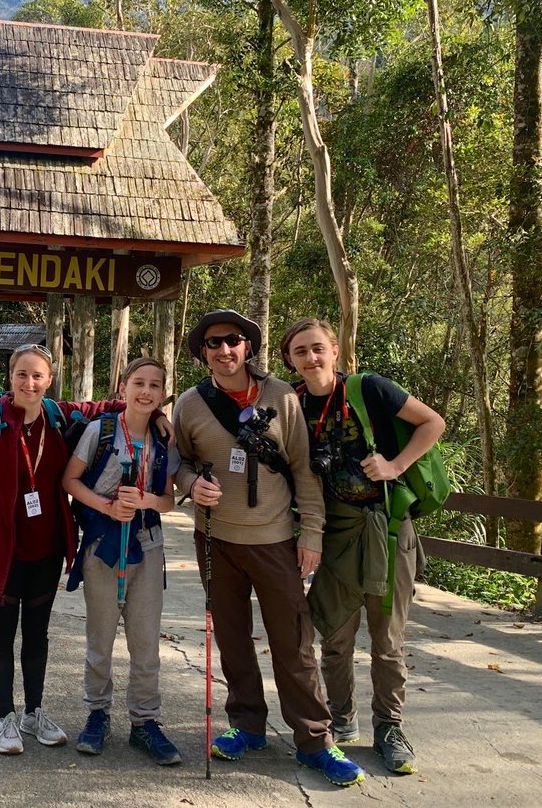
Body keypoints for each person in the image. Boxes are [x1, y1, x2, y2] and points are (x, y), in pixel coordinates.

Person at [172, 308, 365, 787]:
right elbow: (178, 463)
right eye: (213, 343)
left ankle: (315, 740)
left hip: (275, 539)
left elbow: (303, 469)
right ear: (202, 353)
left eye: (233, 340)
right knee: (233, 639)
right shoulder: (190, 404)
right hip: (216, 538)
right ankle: (247, 726)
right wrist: (192, 484)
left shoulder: (282, 396)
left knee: (294, 642)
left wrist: (313, 535)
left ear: (247, 346)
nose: (224, 350)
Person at [280, 317, 445, 775]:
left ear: (335, 350)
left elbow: (433, 422)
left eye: (318, 348)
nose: (311, 358)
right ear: (290, 360)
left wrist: (395, 464)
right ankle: (341, 716)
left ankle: (389, 727)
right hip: (334, 533)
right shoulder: (291, 403)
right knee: (334, 633)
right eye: (300, 352)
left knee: (387, 638)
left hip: (388, 528)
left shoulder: (369, 389)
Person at [0, 344, 127, 756]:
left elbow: (110, 404)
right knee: (2, 632)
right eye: (22, 374)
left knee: (37, 634)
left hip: (47, 549)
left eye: (38, 376)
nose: (29, 383)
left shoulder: (59, 416)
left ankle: (33, 712)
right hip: (3, 549)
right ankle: (5, 716)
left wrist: (154, 412)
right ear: (10, 377)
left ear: (49, 380)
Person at [62, 357, 182, 766]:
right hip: (103, 545)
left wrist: (146, 500)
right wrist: (107, 507)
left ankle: (144, 722)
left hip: (147, 547)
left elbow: (168, 498)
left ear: (164, 393)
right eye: (138, 383)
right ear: (123, 386)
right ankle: (97, 714)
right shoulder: (102, 430)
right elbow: (70, 480)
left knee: (146, 641)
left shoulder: (166, 440)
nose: (145, 391)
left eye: (154, 385)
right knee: (100, 636)